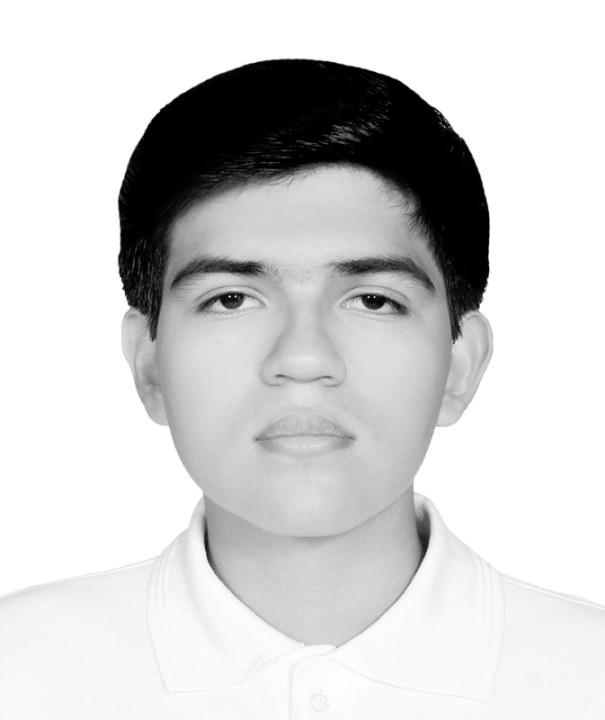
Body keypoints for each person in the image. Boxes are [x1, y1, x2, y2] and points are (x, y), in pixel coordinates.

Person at [1, 58, 603, 718]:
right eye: (231, 299)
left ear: (460, 363)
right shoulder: (19, 670)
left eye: (373, 300)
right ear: (149, 364)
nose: (303, 358)